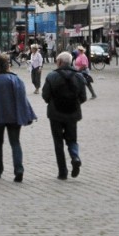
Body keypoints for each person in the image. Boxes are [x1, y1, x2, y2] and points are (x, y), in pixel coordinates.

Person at [0, 54, 37, 182]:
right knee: (15, 142)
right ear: (7, 66)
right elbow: (22, 99)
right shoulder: (16, 80)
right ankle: (19, 170)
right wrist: (27, 114)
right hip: (14, 117)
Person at [41, 51, 87, 180]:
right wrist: (74, 103)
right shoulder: (79, 76)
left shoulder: (51, 76)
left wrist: (52, 102)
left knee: (58, 142)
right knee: (72, 139)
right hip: (72, 113)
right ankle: (75, 157)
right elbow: (83, 97)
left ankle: (62, 172)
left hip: (55, 113)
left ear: (59, 62)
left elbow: (45, 95)